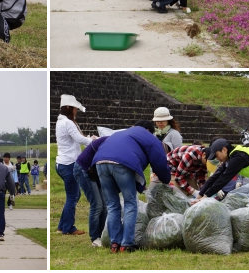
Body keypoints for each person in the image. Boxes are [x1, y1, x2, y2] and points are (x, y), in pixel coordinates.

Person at [92, 122, 171, 253]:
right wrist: (166, 179)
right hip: (121, 163)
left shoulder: (122, 133)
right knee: (130, 202)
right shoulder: (149, 137)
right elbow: (159, 160)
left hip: (100, 162)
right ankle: (127, 243)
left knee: (112, 205)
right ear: (148, 130)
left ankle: (115, 243)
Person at [56, 94, 95, 235]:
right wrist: (95, 141)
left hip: (62, 163)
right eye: (75, 109)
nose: (76, 111)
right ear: (68, 108)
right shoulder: (68, 123)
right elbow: (80, 139)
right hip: (69, 164)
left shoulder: (61, 121)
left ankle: (62, 225)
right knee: (72, 197)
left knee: (74, 195)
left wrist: (89, 138)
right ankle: (68, 228)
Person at [74, 136, 109, 247]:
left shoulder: (119, 142)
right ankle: (95, 238)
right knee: (97, 204)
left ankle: (102, 235)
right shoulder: (110, 142)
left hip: (96, 171)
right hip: (84, 169)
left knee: (105, 205)